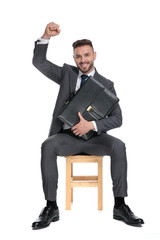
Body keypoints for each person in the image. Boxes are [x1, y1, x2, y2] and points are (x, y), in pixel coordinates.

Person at [32, 22, 144, 229]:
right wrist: (45, 36)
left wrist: (91, 125)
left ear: (94, 55)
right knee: (47, 145)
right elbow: (39, 62)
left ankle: (120, 205)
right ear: (74, 58)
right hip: (66, 138)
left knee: (118, 146)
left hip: (95, 139)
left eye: (86, 55)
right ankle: (51, 206)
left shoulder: (107, 84)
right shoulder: (66, 74)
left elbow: (118, 119)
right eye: (78, 56)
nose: (83, 60)